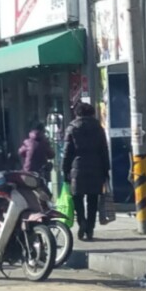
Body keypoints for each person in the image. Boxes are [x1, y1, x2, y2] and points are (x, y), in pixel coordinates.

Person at [62, 101, 110, 242]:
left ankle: (81, 221)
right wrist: (106, 170)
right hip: (96, 167)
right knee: (92, 200)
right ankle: (90, 228)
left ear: (77, 113)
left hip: (77, 167)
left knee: (77, 197)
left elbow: (67, 152)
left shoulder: (72, 128)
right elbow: (104, 151)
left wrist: (65, 170)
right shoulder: (98, 128)